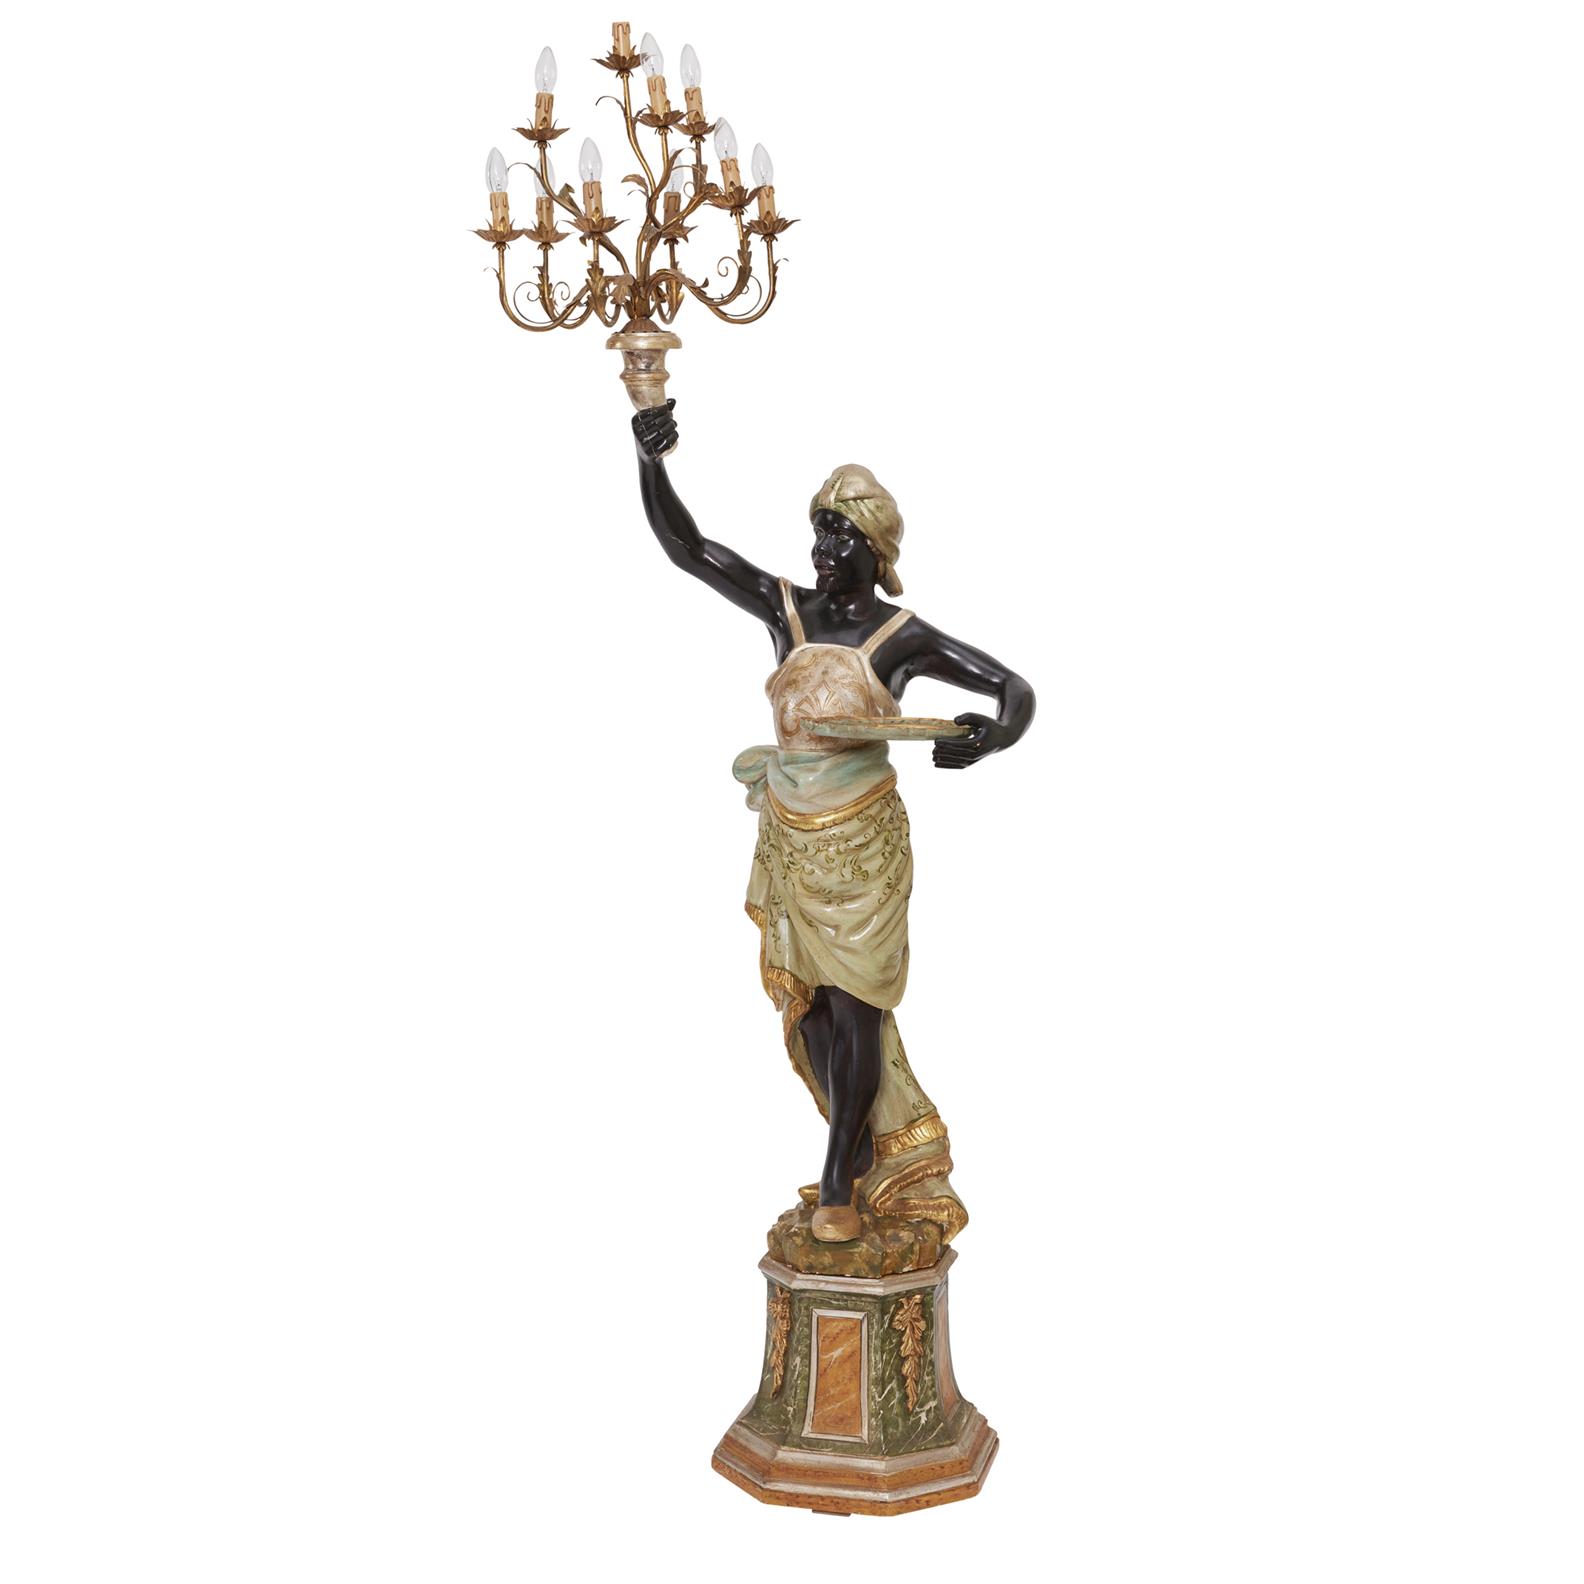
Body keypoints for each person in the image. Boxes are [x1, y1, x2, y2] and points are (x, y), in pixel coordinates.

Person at [633, 399, 1035, 1242]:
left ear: (876, 550)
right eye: (818, 530)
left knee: (858, 1007)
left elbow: (1013, 689)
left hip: (864, 847)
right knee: (811, 1009)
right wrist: (650, 460)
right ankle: (850, 1148)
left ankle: (838, 1184)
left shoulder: (902, 636)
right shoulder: (786, 609)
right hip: (790, 832)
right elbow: (689, 548)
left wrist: (993, 737)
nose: (822, 548)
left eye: (841, 535)